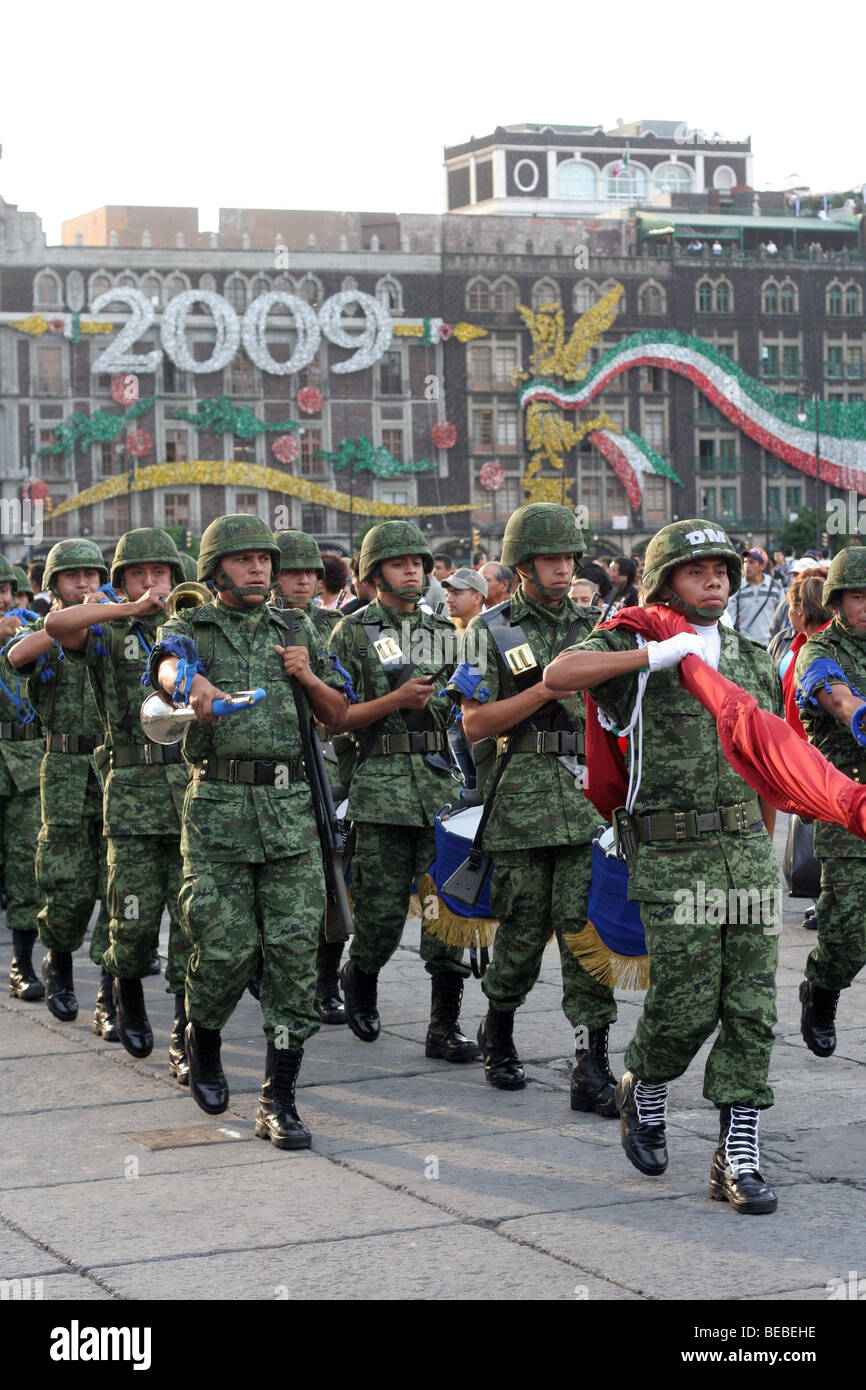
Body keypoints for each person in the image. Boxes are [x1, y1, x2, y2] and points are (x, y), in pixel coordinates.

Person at [545, 519, 783, 1215]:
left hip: (744, 853)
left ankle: (737, 1154)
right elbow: (561, 674)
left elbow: (767, 764)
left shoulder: (750, 658)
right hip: (674, 857)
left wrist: (764, 850)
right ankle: (644, 1085)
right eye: (695, 569)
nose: (714, 580)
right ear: (664, 582)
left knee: (752, 1008)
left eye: (722, 569)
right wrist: (650, 659)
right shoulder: (635, 644)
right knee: (683, 1004)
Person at [148, 514, 350, 1144]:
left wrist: (307, 674)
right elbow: (167, 670)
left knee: (292, 962)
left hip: (292, 819)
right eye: (243, 561)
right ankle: (200, 1037)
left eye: (265, 559)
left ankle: (278, 1097)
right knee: (225, 951)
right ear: (216, 571)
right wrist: (193, 682)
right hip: (218, 816)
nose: (259, 569)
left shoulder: (301, 628)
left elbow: (339, 717)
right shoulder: (190, 627)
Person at [450, 503, 618, 1112]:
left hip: (585, 809)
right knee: (520, 939)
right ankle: (499, 1029)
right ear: (522, 565)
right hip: (519, 810)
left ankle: (590, 1064)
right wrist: (545, 690)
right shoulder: (488, 631)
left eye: (570, 558)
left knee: (585, 937)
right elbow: (472, 725)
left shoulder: (599, 626)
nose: (562, 568)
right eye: (550, 558)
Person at [327, 521, 477, 1063]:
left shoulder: (444, 632)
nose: (412, 570)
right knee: (382, 913)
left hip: (438, 787)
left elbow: (460, 710)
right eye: (398, 564)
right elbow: (334, 719)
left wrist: (461, 698)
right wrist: (395, 704)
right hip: (383, 789)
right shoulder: (351, 632)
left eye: (418, 562)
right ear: (375, 574)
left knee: (447, 915)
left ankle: (445, 1025)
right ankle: (360, 977)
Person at [45, 529, 191, 1079]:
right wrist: (125, 607)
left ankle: (186, 1030)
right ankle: (125, 990)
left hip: (190, 795)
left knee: (191, 922)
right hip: (129, 793)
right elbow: (56, 627)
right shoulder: (108, 629)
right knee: (129, 918)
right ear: (122, 579)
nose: (151, 581)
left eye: (160, 572)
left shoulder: (196, 627)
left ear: (177, 577)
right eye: (137, 573)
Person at [7, 540, 114, 1034]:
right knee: (66, 883)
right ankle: (59, 964)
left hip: (117, 769)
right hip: (66, 767)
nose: (85, 585)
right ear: (50, 587)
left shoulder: (116, 628)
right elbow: (17, 657)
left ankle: (112, 994)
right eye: (72, 578)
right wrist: (65, 624)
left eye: (91, 575)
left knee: (118, 886)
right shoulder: (39, 628)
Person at [271, 529, 348, 1024]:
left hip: (326, 765)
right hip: (276, 765)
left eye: (310, 574)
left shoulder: (333, 625)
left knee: (333, 874)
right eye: (292, 572)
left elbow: (342, 703)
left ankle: (326, 981)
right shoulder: (267, 624)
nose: (303, 581)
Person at [794, 548, 866, 1057]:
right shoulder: (818, 652)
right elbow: (840, 701)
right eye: (859, 596)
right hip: (847, 809)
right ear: (838, 599)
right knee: (851, 927)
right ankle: (821, 988)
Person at [0, 554, 45, 1003]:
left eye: (5, 591)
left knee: (25, 867)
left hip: (26, 765)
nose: (2, 601)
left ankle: (22, 963)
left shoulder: (28, 629)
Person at [726, 547, 783, 646]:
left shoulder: (775, 588)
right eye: (745, 562)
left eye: (752, 562)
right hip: (745, 647)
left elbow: (782, 619)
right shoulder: (737, 589)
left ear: (762, 565)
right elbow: (730, 623)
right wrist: (732, 652)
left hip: (770, 646)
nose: (747, 566)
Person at [442, 567, 487, 632]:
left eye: (456, 593)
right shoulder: (446, 627)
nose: (448, 600)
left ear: (477, 597)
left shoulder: (492, 633)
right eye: (447, 594)